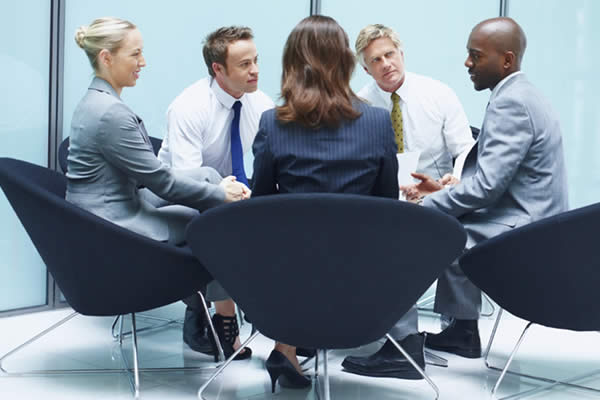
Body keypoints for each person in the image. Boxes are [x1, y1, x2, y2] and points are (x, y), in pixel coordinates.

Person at [66, 16, 250, 360]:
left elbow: (150, 175)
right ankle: (225, 320)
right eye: (135, 54)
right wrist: (221, 195)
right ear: (107, 58)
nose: (143, 62)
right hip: (113, 226)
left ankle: (221, 309)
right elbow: (161, 182)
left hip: (106, 208)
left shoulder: (95, 102)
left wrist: (214, 183)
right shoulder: (110, 114)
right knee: (215, 225)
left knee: (209, 174)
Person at [401, 17, 568, 358]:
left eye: (475, 56)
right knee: (450, 225)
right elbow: (499, 177)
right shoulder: (522, 93)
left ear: (506, 60)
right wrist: (443, 191)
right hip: (533, 215)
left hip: (529, 225)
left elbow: (488, 187)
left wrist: (428, 206)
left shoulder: (512, 102)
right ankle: (462, 329)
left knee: (444, 233)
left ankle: (419, 335)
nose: (467, 63)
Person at [251, 15, 399, 392]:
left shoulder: (272, 123)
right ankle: (291, 347)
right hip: (359, 266)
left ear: (291, 63)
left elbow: (261, 205)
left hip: (290, 265)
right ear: (346, 61)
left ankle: (284, 346)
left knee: (286, 243)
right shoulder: (378, 122)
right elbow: (388, 204)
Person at [341, 24, 474, 380]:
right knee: (387, 239)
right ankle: (401, 339)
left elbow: (466, 150)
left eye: (390, 55)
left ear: (402, 55)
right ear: (365, 69)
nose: (385, 64)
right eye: (375, 60)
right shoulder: (359, 105)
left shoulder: (438, 93)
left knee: (452, 226)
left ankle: (461, 329)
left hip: (438, 195)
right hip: (386, 202)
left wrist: (453, 181)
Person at [157, 26, 274, 360]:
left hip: (232, 193)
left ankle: (265, 308)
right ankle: (221, 317)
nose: (255, 70)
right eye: (244, 64)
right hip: (178, 197)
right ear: (218, 69)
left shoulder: (261, 103)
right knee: (220, 227)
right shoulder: (189, 107)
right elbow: (185, 183)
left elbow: (271, 162)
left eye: (256, 60)